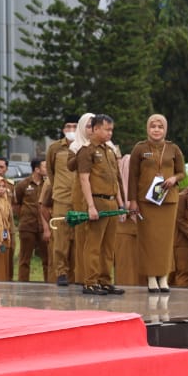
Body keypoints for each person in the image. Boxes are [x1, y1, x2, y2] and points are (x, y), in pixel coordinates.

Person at [126, 114, 185, 293]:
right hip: (146, 201)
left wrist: (174, 178)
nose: (156, 129)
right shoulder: (140, 148)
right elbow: (133, 177)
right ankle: (152, 277)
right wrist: (133, 201)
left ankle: (164, 277)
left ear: (165, 129)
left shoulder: (174, 149)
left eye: (160, 126)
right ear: (148, 128)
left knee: (166, 241)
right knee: (149, 240)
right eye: (153, 126)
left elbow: (182, 172)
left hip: (168, 201)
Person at [74, 113, 126, 295]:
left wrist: (121, 205)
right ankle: (90, 281)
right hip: (97, 201)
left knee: (108, 245)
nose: (110, 133)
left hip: (111, 201)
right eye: (107, 129)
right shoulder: (86, 151)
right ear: (95, 129)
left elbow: (116, 180)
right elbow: (84, 179)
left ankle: (105, 280)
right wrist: (90, 206)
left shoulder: (109, 151)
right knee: (94, 244)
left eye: (111, 130)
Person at [40, 116, 81, 286]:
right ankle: (61, 272)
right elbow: (50, 171)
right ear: (63, 129)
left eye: (74, 126)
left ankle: (79, 274)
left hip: (81, 200)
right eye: (68, 126)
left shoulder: (85, 147)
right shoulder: (55, 148)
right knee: (61, 240)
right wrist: (59, 188)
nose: (71, 129)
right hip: (62, 199)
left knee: (80, 240)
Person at [13, 158, 49, 282]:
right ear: (36, 169)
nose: (47, 169)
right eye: (45, 167)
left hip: (44, 227)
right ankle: (23, 284)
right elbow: (16, 203)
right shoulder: (23, 184)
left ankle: (48, 285)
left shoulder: (48, 184)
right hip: (27, 226)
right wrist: (23, 215)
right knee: (24, 259)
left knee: (47, 259)